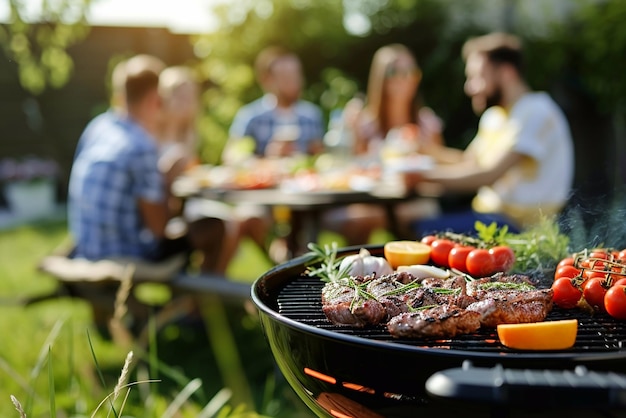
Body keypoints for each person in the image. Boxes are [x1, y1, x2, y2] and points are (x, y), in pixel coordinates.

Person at [68, 55, 227, 273]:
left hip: (86, 247)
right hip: (123, 254)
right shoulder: (141, 146)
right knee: (214, 226)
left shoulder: (99, 126)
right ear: (154, 99)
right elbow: (159, 228)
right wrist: (168, 178)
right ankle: (195, 304)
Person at [405, 32, 575, 235]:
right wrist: (424, 150)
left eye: (477, 76)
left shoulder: (537, 111)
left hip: (519, 230)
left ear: (506, 72)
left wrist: (422, 177)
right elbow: (469, 162)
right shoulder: (494, 116)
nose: (469, 88)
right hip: (488, 218)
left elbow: (488, 175)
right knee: (409, 216)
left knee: (416, 228)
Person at [322, 44, 443, 243]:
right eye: (396, 72)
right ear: (381, 79)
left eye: (412, 71)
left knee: (357, 222)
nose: (405, 78)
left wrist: (423, 151)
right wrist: (352, 132)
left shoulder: (426, 123)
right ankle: (361, 272)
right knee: (351, 221)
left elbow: (439, 168)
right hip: (373, 200)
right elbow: (353, 169)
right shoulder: (365, 123)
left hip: (416, 201)